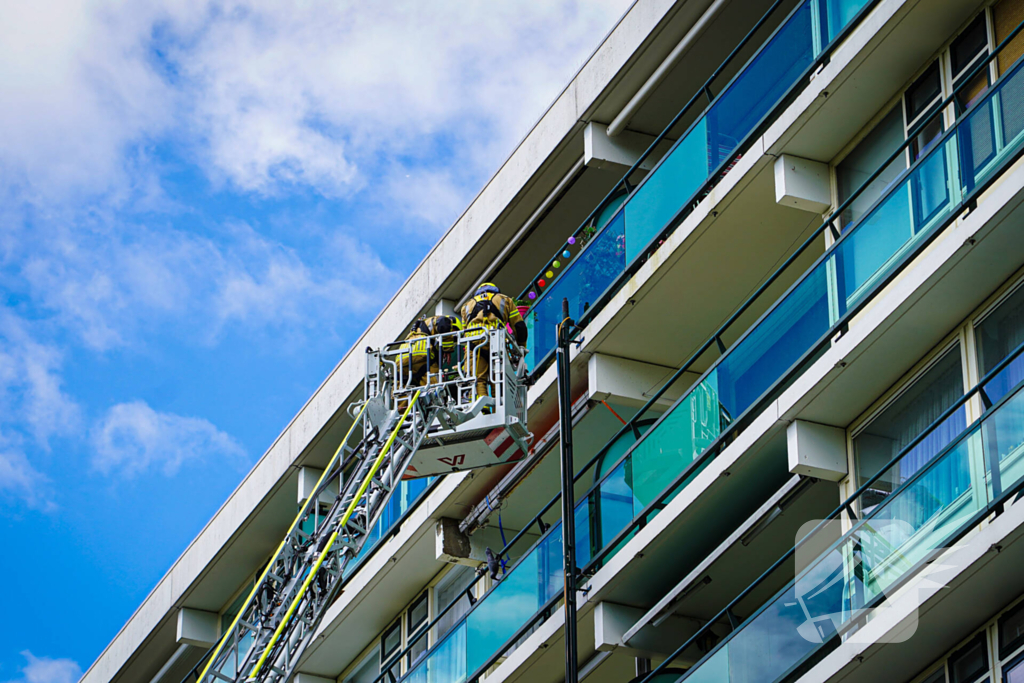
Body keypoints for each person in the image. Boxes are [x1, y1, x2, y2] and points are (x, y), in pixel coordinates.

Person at [459, 283, 527, 400]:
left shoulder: (466, 306)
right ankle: (499, 407)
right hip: (497, 343)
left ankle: (482, 410)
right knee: (499, 380)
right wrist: (521, 348)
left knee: (477, 379)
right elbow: (519, 326)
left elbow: (464, 332)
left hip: (474, 345)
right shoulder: (505, 300)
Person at [397, 314, 463, 390]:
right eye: (452, 336)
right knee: (436, 389)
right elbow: (444, 324)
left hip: (401, 361)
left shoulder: (421, 330)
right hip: (421, 356)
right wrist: (447, 348)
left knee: (403, 394)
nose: (451, 339)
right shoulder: (441, 321)